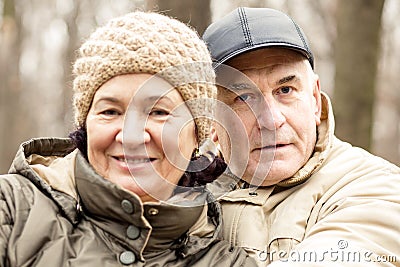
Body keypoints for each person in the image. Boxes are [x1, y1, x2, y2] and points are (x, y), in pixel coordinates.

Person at [0, 11, 257, 266]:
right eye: (110, 111)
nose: (131, 136)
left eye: (158, 112)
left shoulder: (228, 263)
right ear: (86, 125)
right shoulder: (11, 210)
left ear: (196, 135)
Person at [203, 7, 400, 266]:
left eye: (285, 89)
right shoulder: (179, 199)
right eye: (244, 98)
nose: (272, 120)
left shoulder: (374, 188)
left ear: (315, 100)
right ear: (210, 121)